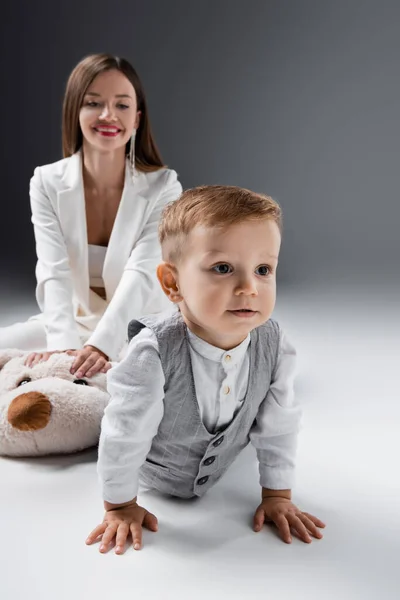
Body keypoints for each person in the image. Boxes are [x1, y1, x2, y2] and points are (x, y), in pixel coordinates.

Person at [86, 185, 326, 554]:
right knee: (97, 409)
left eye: (264, 269)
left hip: (222, 459)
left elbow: (279, 424)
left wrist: (277, 493)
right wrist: (119, 504)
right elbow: (124, 434)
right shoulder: (152, 353)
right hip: (159, 472)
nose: (249, 287)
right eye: (223, 268)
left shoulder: (276, 345)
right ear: (172, 282)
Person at [0, 53, 182, 378]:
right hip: (75, 320)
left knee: (129, 378)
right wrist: (63, 347)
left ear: (137, 118)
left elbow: (142, 273)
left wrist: (101, 346)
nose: (108, 115)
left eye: (122, 105)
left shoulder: (164, 186)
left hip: (140, 321)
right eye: (94, 103)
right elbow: (53, 272)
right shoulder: (46, 181)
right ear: (75, 111)